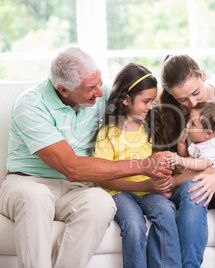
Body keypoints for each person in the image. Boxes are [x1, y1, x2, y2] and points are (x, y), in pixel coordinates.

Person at [0, 46, 172, 268]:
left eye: (99, 82)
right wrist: (143, 165)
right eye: (91, 88)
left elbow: (139, 94)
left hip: (73, 190)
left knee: (101, 202)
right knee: (38, 196)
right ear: (62, 89)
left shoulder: (100, 94)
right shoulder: (30, 106)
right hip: (27, 182)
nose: (100, 93)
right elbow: (72, 168)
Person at [153, 54, 215, 268]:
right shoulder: (169, 111)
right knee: (194, 189)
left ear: (204, 76)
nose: (192, 103)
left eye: (195, 93)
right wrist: (200, 176)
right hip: (188, 182)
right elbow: (169, 173)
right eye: (182, 99)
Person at [94, 62, 180, 268]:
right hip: (118, 192)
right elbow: (103, 178)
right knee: (133, 224)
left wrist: (165, 170)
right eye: (146, 101)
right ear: (126, 99)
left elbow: (157, 161)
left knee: (167, 212)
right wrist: (146, 186)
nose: (151, 105)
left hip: (149, 191)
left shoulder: (151, 126)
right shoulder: (108, 133)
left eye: (152, 100)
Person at [167, 101, 215, 172]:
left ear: (207, 134)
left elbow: (201, 164)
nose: (187, 125)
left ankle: (175, 181)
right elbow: (185, 156)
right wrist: (181, 143)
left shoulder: (213, 147)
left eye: (193, 124)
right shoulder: (196, 139)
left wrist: (180, 160)